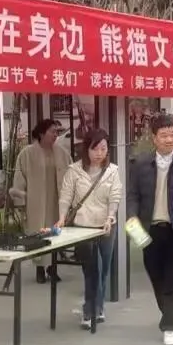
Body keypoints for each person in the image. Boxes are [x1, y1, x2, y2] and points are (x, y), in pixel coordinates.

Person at [127, 114, 173, 345]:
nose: (170, 139)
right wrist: (132, 218)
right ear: (154, 138)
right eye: (164, 135)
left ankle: (169, 324)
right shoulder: (140, 164)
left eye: (172, 135)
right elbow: (133, 196)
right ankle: (167, 311)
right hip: (149, 229)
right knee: (156, 276)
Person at [56, 129, 122, 330]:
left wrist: (110, 217)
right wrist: (62, 218)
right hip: (82, 227)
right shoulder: (74, 171)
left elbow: (115, 196)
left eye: (103, 148)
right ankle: (89, 310)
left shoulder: (112, 171)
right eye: (95, 149)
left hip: (105, 226)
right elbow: (66, 196)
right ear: (86, 149)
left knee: (103, 270)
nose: (99, 153)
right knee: (91, 270)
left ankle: (98, 307)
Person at [10, 119, 72, 284]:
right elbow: (19, 179)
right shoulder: (27, 154)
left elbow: (72, 174)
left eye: (57, 132)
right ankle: (39, 269)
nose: (56, 135)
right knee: (38, 234)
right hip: (35, 203)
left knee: (55, 234)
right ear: (42, 133)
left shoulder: (62, 153)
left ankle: (52, 267)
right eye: (52, 131)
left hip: (56, 201)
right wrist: (21, 201)